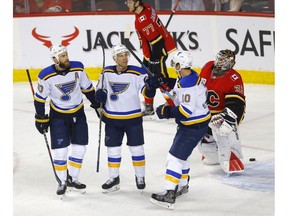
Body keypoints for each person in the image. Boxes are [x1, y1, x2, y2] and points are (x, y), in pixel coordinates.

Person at [148, 51, 211, 209]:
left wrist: (165, 112)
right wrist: (164, 82)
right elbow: (178, 92)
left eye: (175, 65)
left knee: (174, 157)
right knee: (182, 156)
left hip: (192, 126)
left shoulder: (187, 84)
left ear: (180, 65)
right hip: (198, 124)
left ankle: (170, 194)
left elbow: (185, 111)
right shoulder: (190, 76)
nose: (174, 68)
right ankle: (183, 185)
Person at [33, 44, 97, 196]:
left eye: (66, 54)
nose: (66, 58)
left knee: (80, 148)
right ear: (54, 59)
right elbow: (39, 99)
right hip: (58, 116)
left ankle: (72, 178)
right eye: (62, 56)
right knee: (60, 151)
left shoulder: (78, 68)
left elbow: (88, 89)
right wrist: (40, 118)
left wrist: (97, 105)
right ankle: (62, 181)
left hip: (78, 113)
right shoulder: (46, 75)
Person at [94, 44, 156, 193]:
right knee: (113, 151)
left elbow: (146, 92)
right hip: (112, 118)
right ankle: (114, 178)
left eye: (126, 55)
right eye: (121, 55)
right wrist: (99, 95)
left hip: (133, 118)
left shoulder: (138, 72)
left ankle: (140, 177)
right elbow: (99, 89)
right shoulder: (106, 72)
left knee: (137, 149)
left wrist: (151, 87)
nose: (125, 58)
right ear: (115, 58)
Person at [197, 49, 246, 174]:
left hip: (222, 115)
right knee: (206, 150)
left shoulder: (234, 78)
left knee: (226, 131)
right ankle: (212, 154)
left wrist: (229, 118)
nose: (219, 62)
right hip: (205, 114)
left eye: (223, 60)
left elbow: (237, 103)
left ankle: (234, 161)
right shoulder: (208, 67)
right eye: (219, 59)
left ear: (231, 63)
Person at [126, 0, 177, 116]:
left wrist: (154, 59)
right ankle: (149, 106)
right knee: (147, 77)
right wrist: (148, 57)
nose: (127, 5)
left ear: (137, 3)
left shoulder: (141, 21)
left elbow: (157, 41)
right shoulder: (147, 8)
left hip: (157, 51)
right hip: (151, 52)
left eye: (129, 2)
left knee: (160, 79)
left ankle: (174, 106)